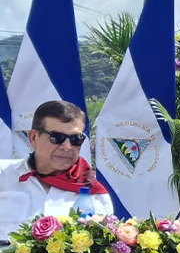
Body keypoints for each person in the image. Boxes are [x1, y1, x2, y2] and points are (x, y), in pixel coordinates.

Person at [0, 100, 113, 242]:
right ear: (34, 138)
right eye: (56, 137)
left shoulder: (95, 195)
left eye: (75, 139)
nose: (67, 147)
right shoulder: (3, 175)